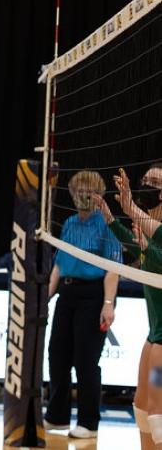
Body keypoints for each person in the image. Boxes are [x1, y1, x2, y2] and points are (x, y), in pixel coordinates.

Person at [43, 170, 122, 439]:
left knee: (86, 361)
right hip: (67, 294)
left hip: (94, 295)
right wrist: (47, 298)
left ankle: (89, 422)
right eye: (80, 191)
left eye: (90, 191)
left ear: (99, 195)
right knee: (57, 356)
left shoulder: (106, 225)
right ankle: (57, 417)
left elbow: (113, 268)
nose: (84, 195)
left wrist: (108, 304)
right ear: (73, 194)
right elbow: (58, 265)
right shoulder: (69, 224)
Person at [94, 165, 162, 449]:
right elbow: (141, 251)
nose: (148, 184)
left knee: (158, 413)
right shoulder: (151, 232)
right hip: (154, 336)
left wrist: (129, 204)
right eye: (146, 179)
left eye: (155, 182)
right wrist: (111, 217)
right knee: (142, 407)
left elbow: (156, 250)